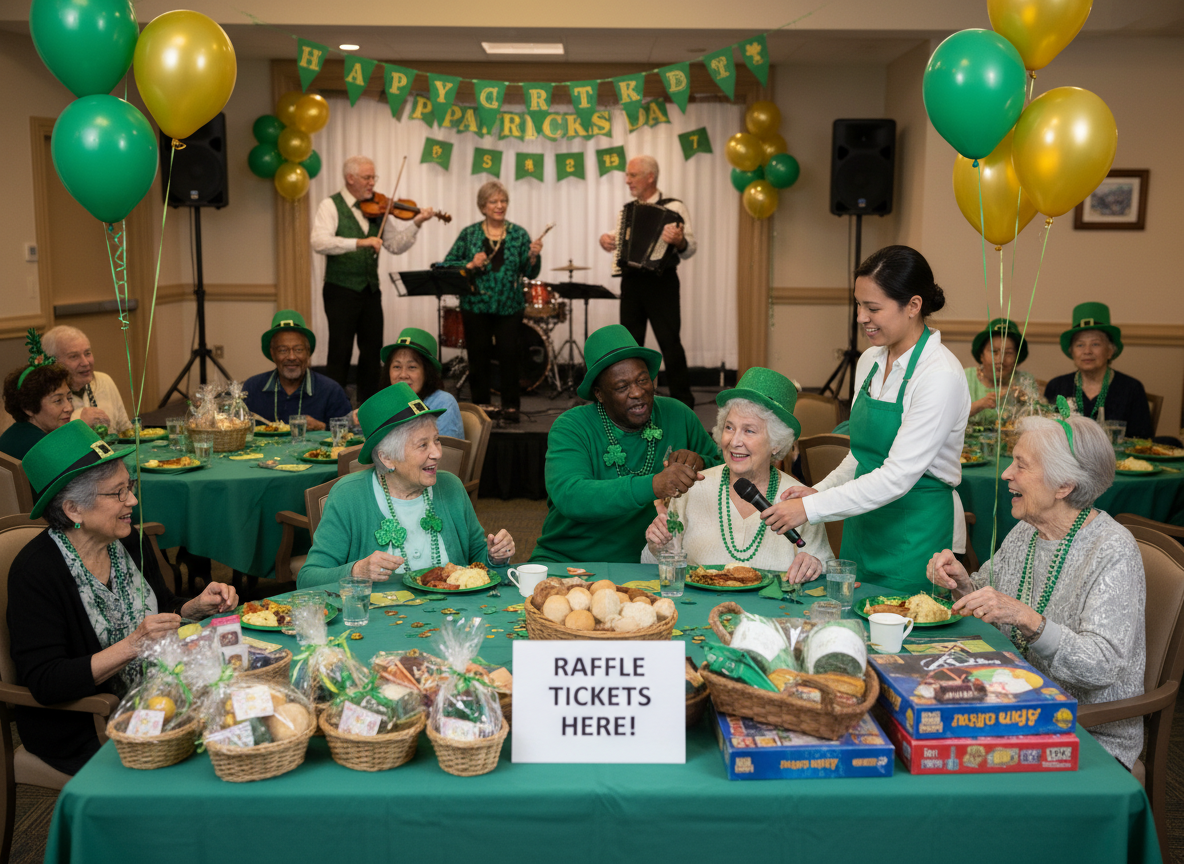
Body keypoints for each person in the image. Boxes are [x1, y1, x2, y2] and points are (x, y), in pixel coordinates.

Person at [7, 420, 238, 774]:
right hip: (88, 720)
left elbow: (160, 607)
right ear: (73, 509)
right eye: (117, 493)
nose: (132, 499)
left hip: (159, 694)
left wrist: (193, 607)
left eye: (129, 486)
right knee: (209, 755)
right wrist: (134, 645)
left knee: (239, 718)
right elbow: (45, 680)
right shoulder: (36, 572)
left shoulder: (129, 540)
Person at [927, 411, 1144, 768]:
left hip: (1084, 729)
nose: (1007, 474)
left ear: (1064, 486)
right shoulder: (1028, 530)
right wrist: (963, 583)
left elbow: (1102, 667)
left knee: (954, 761)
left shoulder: (1111, 550)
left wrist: (1029, 620)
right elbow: (992, 597)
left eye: (1021, 465)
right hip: (1015, 703)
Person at [762, 246, 971, 595]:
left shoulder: (939, 375)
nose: (861, 317)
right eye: (858, 305)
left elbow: (897, 477)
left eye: (873, 308)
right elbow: (861, 455)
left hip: (914, 532)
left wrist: (810, 509)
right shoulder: (870, 361)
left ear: (914, 306)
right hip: (864, 525)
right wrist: (822, 489)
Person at [531, 325, 721, 564]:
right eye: (622, 387)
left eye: (643, 380)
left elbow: (726, 472)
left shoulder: (678, 415)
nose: (637, 392)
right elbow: (572, 495)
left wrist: (701, 462)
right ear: (599, 394)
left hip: (651, 564)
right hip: (571, 561)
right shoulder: (571, 426)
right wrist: (654, 484)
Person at [297, 382, 514, 587]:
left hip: (452, 618)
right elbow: (307, 579)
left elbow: (478, 559)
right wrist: (357, 571)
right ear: (387, 458)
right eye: (422, 445)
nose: (437, 453)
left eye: (436, 440)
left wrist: (494, 556)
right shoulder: (349, 496)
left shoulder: (451, 486)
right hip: (380, 621)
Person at [641, 367, 832, 578]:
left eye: (749, 431)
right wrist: (656, 546)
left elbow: (825, 572)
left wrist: (814, 565)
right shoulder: (693, 489)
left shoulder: (799, 500)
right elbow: (666, 568)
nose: (734, 441)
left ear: (776, 443)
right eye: (729, 428)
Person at [311, 155, 437, 403]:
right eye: (368, 177)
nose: (372, 183)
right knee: (340, 352)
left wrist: (417, 223)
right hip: (340, 289)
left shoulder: (378, 207)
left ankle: (370, 409)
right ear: (351, 178)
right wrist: (360, 242)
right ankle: (334, 409)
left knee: (372, 354)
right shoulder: (330, 205)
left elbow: (395, 245)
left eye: (373, 177)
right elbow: (319, 241)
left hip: (370, 290)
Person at [598, 155, 697, 408]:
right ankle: (633, 400)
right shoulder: (628, 211)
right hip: (631, 282)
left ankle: (684, 402)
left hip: (662, 282)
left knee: (670, 341)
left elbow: (690, 248)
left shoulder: (675, 207)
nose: (627, 180)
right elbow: (618, 238)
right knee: (630, 344)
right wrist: (606, 240)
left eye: (632, 175)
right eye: (627, 175)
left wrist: (679, 240)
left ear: (650, 177)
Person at [441, 180, 543, 423]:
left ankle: (511, 407)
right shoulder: (470, 233)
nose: (500, 205)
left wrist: (533, 256)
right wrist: (469, 264)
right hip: (475, 305)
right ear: (482, 206)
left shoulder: (518, 233)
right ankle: (480, 408)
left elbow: (531, 272)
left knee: (509, 356)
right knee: (478, 358)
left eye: (503, 201)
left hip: (510, 306)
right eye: (493, 201)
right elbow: (447, 264)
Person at [1044, 302, 1153, 439]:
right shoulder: (1057, 386)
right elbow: (1046, 436)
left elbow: (1142, 440)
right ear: (1072, 352)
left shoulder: (1131, 388)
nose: (1087, 351)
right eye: (1080, 345)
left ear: (1110, 351)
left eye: (1095, 344)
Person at [243, 310, 352, 432]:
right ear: (273, 354)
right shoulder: (252, 388)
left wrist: (322, 427)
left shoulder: (331, 391)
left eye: (298, 349)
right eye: (283, 350)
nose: (291, 357)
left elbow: (352, 435)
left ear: (308, 353)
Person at [373, 327, 463, 439]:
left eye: (412, 367)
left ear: (427, 372)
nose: (403, 375)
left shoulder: (443, 403)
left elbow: (444, 454)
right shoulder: (388, 402)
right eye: (397, 366)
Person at [41, 325, 131, 435]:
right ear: (53, 362)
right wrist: (81, 424)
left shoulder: (105, 381)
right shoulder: (46, 396)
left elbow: (126, 430)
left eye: (87, 353)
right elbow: (51, 445)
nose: (85, 363)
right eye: (74, 356)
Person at [1, 330, 74, 459]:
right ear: (28, 408)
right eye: (58, 401)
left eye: (69, 398)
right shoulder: (46, 448)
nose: (69, 407)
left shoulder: (11, 435)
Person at [965, 317, 1037, 425]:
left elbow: (1039, 417)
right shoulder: (966, 378)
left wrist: (1025, 402)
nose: (1001, 360)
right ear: (981, 355)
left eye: (1008, 353)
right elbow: (948, 418)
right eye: (994, 352)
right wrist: (979, 405)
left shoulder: (1025, 381)